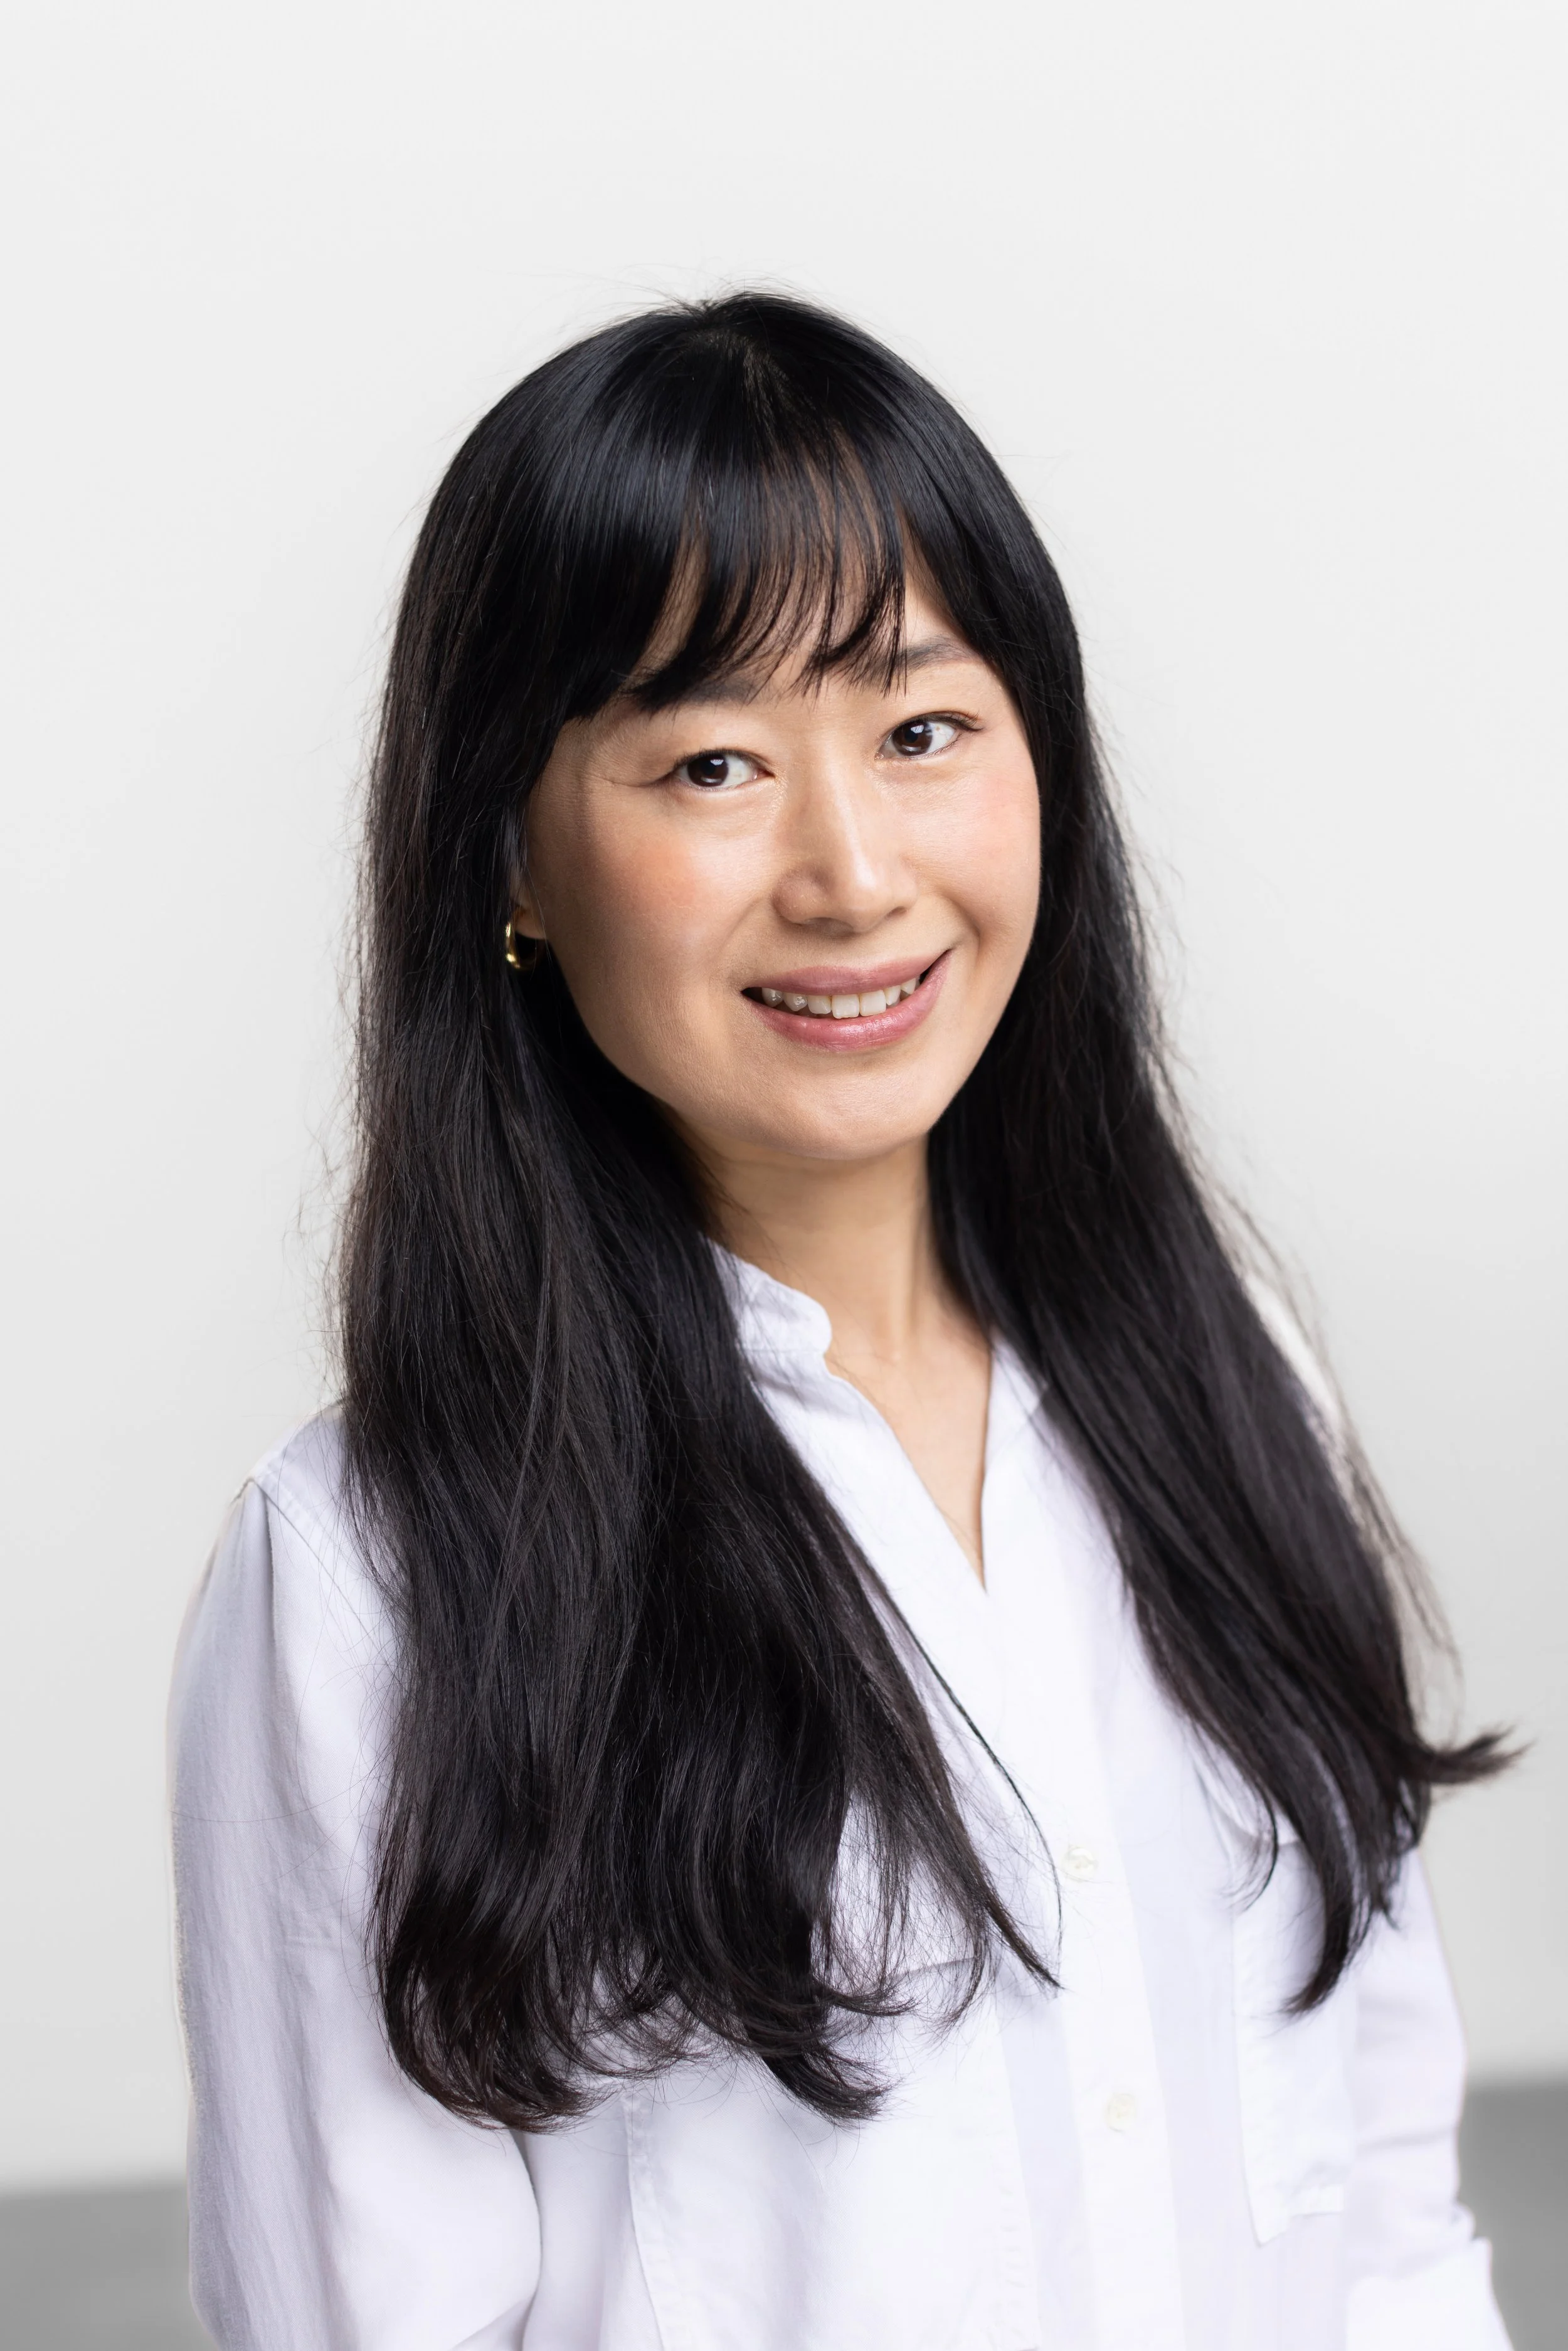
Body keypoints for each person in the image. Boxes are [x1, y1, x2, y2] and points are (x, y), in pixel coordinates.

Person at [169, 292, 1513, 2351]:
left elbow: (1385, 2223)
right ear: (511, 858)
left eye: (920, 727)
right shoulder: (374, 1571)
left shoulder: (1224, 1374)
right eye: (710, 759)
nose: (849, 869)